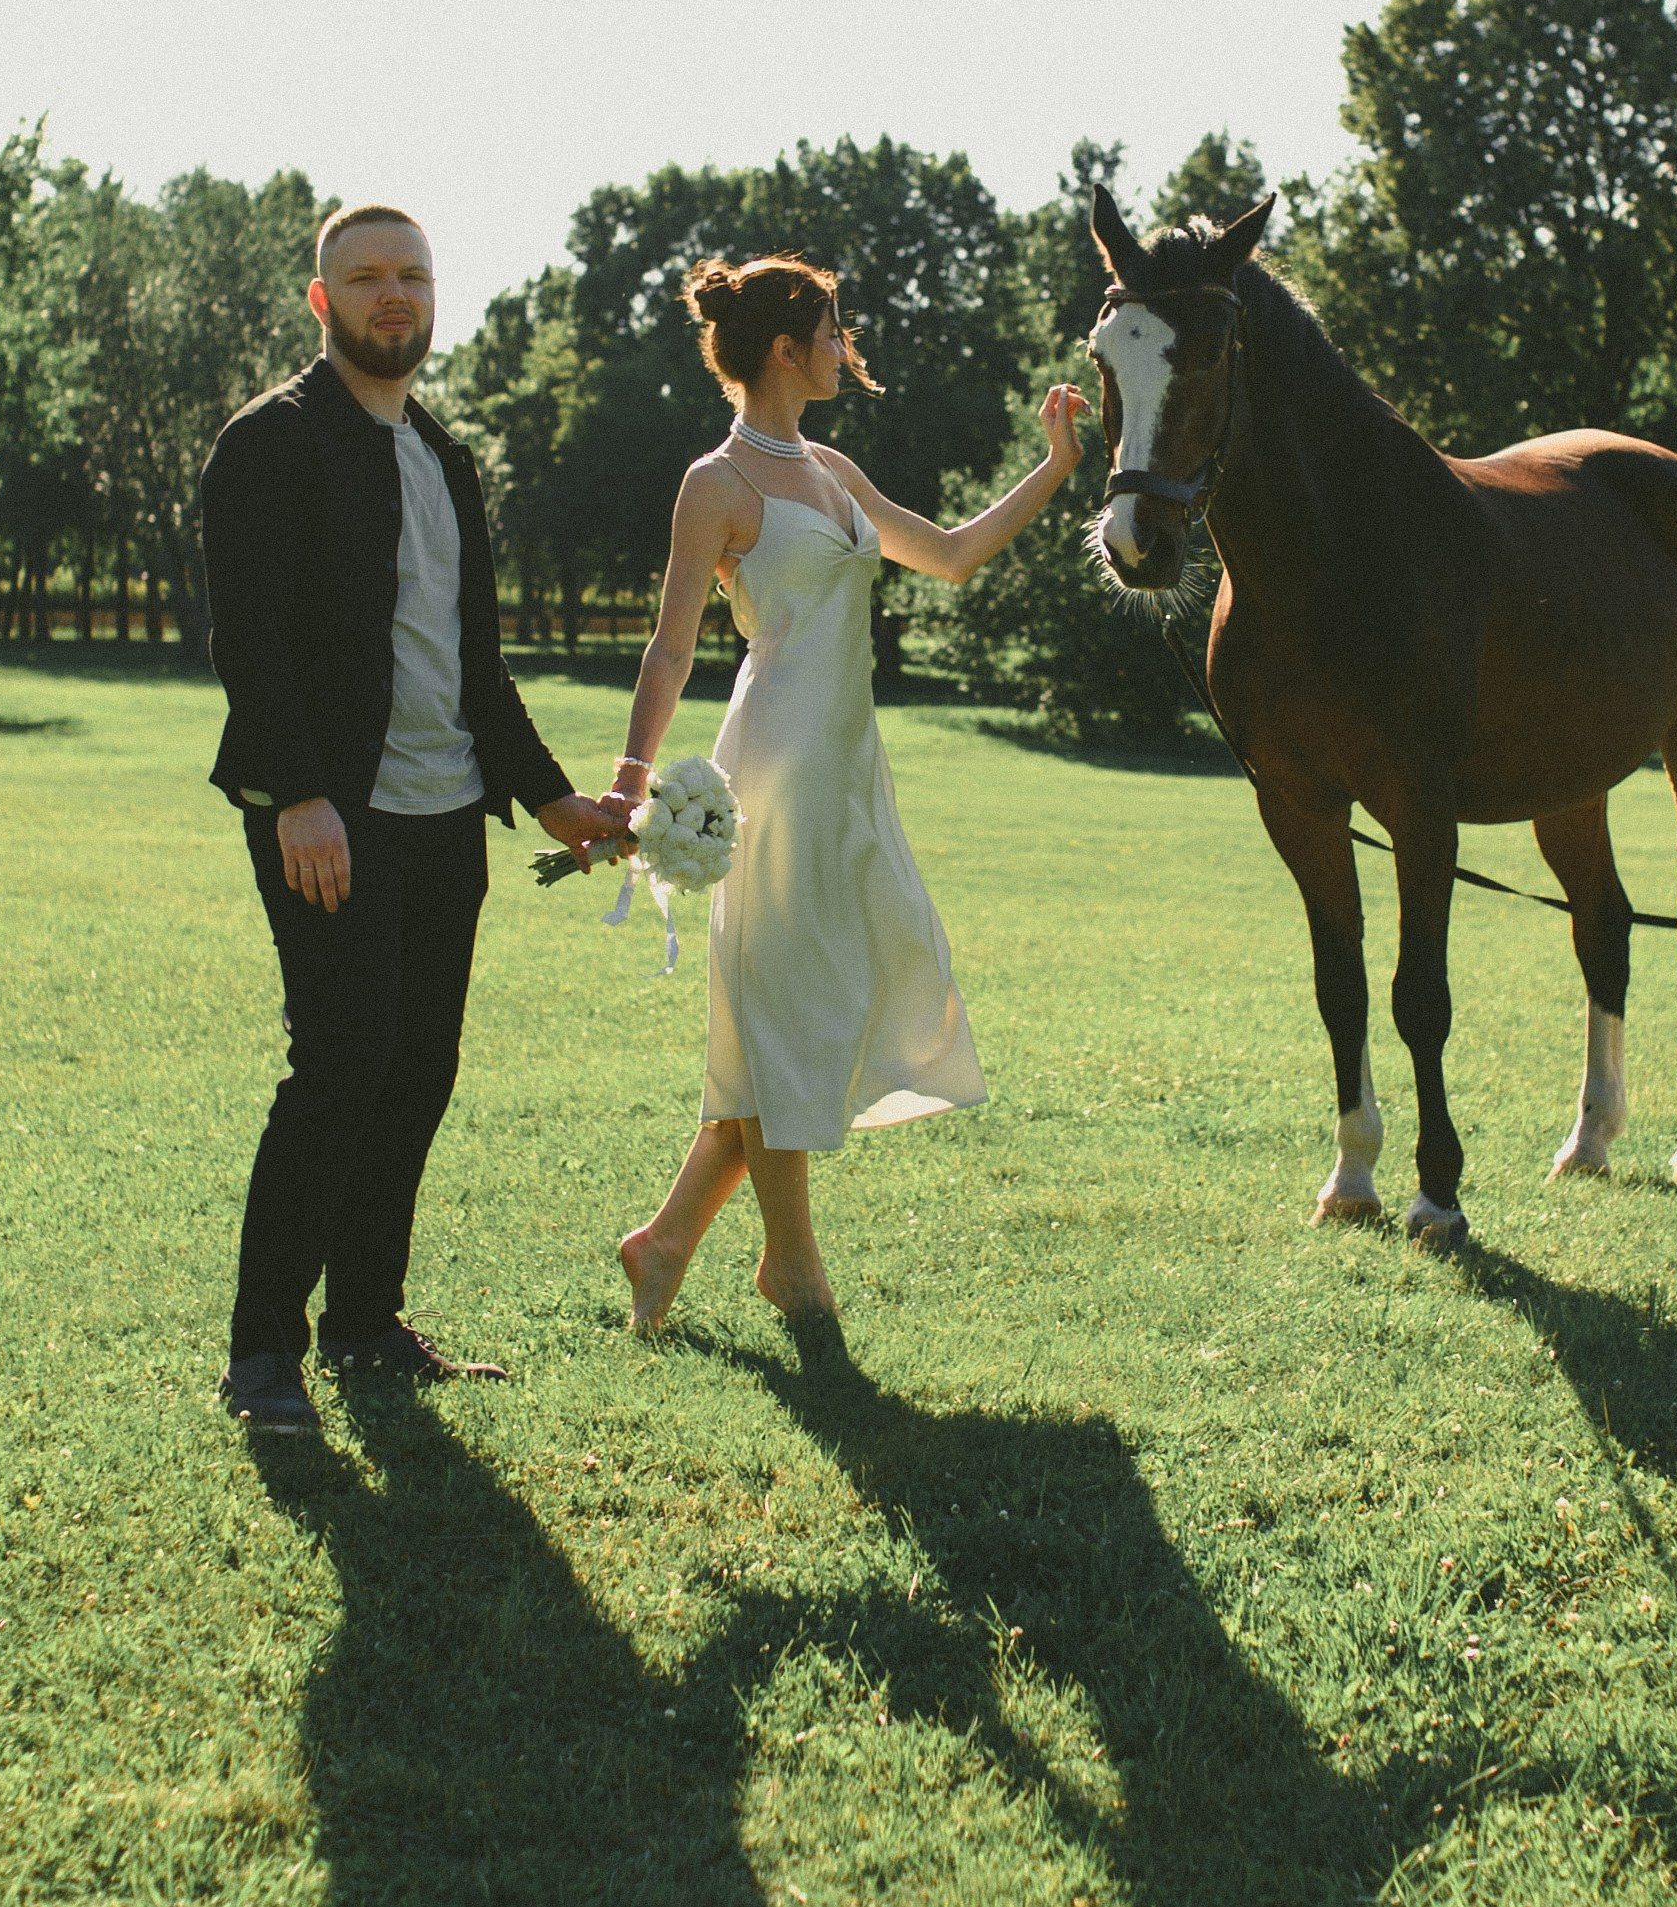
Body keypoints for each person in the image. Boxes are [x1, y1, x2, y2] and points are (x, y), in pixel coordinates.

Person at [201, 203, 629, 1435]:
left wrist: (553, 799)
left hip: (446, 815)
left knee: (417, 1071)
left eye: (413, 275)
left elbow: (475, 668)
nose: (395, 295)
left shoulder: (446, 457)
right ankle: (261, 1353)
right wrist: (298, 795)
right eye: (367, 276)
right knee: (338, 1064)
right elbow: (254, 641)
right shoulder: (269, 444)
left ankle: (366, 1324)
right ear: (319, 299)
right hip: (331, 814)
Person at [612, 254, 1087, 1336]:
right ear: (786, 348)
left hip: (850, 775)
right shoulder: (716, 483)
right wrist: (628, 786)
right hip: (774, 773)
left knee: (816, 1008)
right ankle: (793, 1266)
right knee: (792, 1014)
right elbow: (669, 647)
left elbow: (954, 555)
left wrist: (1054, 464)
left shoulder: (829, 467)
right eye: (833, 331)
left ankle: (670, 1237)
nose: (846, 347)